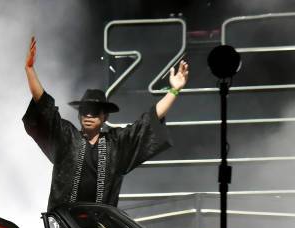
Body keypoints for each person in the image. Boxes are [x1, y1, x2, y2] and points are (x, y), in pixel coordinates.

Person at [23, 36, 189, 210]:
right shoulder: (66, 137)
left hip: (100, 227)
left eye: (94, 111)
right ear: (79, 115)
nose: (88, 114)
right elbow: (44, 105)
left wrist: (173, 91)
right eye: (84, 110)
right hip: (66, 226)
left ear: (104, 117)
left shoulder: (116, 144)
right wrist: (30, 70)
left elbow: (149, 121)